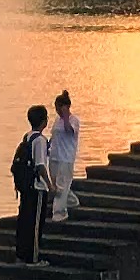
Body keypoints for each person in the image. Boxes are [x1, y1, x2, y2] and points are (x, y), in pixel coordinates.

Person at [15, 105, 54, 266]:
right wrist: (50, 185)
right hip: (37, 188)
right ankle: (33, 258)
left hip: (25, 186)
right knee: (36, 224)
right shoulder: (40, 140)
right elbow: (40, 165)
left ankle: (21, 256)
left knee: (24, 221)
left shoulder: (27, 137)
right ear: (44, 122)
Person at [48, 90, 80, 223]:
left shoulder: (74, 120)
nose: (57, 111)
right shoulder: (57, 120)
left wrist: (66, 116)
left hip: (66, 158)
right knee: (57, 184)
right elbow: (54, 135)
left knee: (61, 186)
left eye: (59, 107)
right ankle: (72, 201)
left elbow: (69, 130)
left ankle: (59, 213)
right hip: (55, 156)